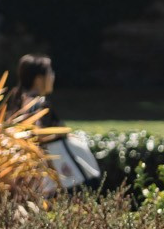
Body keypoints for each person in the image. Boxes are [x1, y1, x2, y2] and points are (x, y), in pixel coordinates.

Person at [7, 52, 100, 191]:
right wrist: (61, 134)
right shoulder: (38, 104)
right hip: (53, 174)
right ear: (39, 79)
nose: (53, 76)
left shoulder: (18, 99)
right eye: (50, 72)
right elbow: (37, 133)